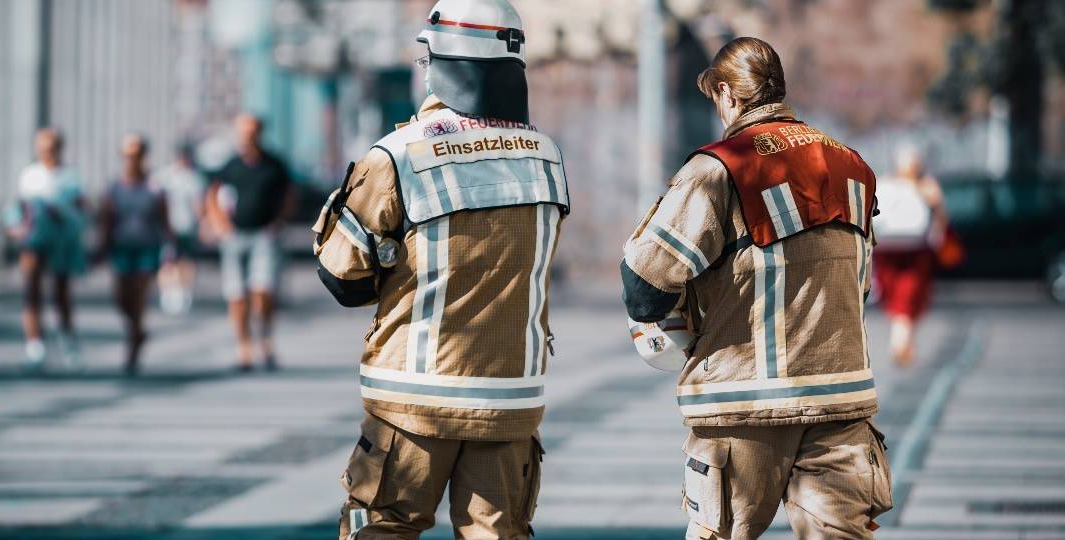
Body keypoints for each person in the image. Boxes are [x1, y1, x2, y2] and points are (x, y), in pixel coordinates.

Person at [620, 37, 892, 539]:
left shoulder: (720, 167)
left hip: (743, 404)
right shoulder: (851, 164)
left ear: (727, 94)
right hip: (840, 398)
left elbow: (644, 283)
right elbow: (862, 285)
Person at [313, 1, 568, 537]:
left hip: (414, 397)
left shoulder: (398, 155)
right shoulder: (547, 156)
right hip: (510, 397)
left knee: (382, 526)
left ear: (443, 62)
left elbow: (343, 277)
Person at [205, 114, 292, 372]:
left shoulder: (274, 165)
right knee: (237, 295)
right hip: (235, 236)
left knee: (262, 290)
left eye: (251, 132)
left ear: (260, 133)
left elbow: (289, 194)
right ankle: (244, 346)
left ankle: (265, 339)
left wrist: (280, 221)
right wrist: (218, 223)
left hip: (264, 236)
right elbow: (211, 194)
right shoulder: (230, 166)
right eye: (243, 132)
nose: (247, 137)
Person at [9, 128, 87, 370]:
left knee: (61, 293)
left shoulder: (70, 177)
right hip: (34, 242)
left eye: (51, 148)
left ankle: (67, 342)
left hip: (62, 241)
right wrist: (16, 228)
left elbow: (81, 208)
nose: (47, 153)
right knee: (32, 291)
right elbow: (19, 209)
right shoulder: (30, 175)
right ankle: (35, 345)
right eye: (42, 148)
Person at [97, 134, 172, 375]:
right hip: (122, 247)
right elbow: (107, 219)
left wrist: (172, 248)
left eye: (137, 153)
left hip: (147, 248)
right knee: (121, 297)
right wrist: (102, 246)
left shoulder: (154, 187)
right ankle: (137, 331)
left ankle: (132, 351)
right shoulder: (114, 187)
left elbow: (165, 219)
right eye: (128, 154)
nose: (132, 159)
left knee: (139, 298)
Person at [871, 145, 949, 366]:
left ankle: (902, 341)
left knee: (900, 296)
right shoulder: (926, 186)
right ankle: (902, 342)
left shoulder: (885, 183)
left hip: (887, 247)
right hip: (915, 249)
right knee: (908, 295)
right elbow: (941, 216)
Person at [155, 141, 205, 315]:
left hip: (187, 226)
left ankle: (183, 291)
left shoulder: (194, 178)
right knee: (167, 261)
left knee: (185, 261)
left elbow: (199, 205)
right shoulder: (165, 176)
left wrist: (201, 224)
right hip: (168, 227)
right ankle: (169, 291)